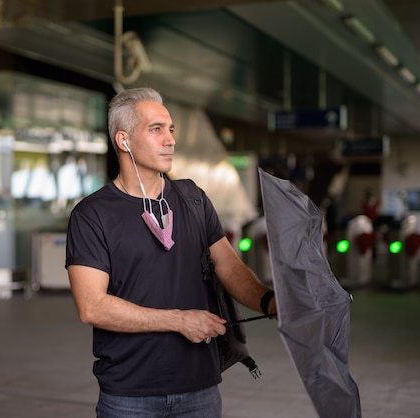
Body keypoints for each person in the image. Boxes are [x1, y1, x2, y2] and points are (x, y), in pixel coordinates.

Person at [65, 87, 276, 417]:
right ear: (123, 141)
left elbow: (229, 268)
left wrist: (269, 301)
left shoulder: (193, 199)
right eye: (156, 129)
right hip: (129, 394)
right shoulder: (93, 215)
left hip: (200, 388)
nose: (170, 139)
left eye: (171, 129)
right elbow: (92, 306)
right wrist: (179, 320)